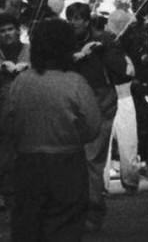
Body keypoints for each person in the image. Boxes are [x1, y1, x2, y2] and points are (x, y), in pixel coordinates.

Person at [0, 16, 103, 242]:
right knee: (65, 226)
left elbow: (8, 122)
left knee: (28, 226)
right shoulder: (75, 82)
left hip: (28, 163)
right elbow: (93, 126)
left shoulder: (20, 82)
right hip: (67, 163)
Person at [63, 0, 128, 230]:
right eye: (70, 19)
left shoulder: (105, 40)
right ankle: (77, 210)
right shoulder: (65, 44)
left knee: (93, 160)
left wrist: (103, 51)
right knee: (74, 160)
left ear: (87, 20)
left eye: (78, 18)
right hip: (73, 103)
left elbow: (121, 71)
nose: (74, 23)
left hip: (102, 102)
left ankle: (93, 211)